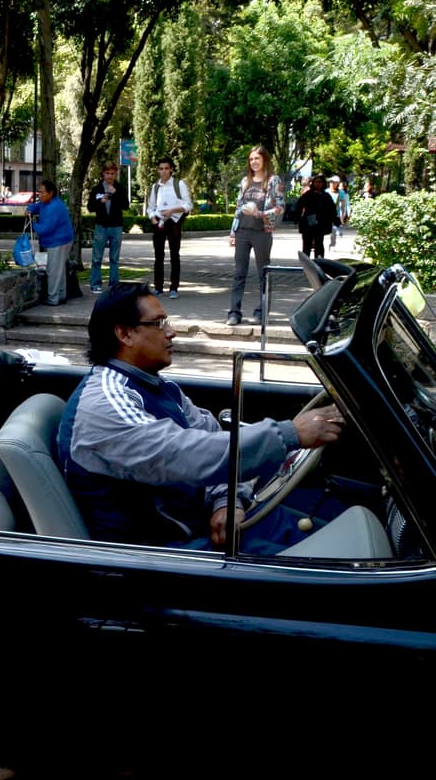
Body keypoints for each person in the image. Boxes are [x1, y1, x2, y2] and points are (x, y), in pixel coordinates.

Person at [56, 282, 344, 553]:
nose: (171, 333)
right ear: (124, 334)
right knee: (325, 563)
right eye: (158, 324)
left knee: (326, 525)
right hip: (160, 554)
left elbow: (212, 437)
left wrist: (226, 499)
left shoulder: (158, 387)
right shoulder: (104, 402)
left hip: (200, 523)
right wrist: (290, 434)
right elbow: (182, 454)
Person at [227, 145, 285, 326]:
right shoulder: (245, 181)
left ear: (265, 160)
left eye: (257, 159)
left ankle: (261, 312)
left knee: (263, 273)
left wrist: (261, 214)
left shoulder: (273, 181)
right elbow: (238, 208)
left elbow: (280, 207)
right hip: (243, 230)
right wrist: (232, 232)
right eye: (251, 159)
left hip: (262, 231)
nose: (254, 162)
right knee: (239, 273)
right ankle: (234, 313)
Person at [145, 157, 191, 299]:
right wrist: (152, 217)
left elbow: (188, 205)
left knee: (174, 255)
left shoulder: (179, 184)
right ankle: (158, 287)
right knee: (158, 256)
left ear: (171, 169)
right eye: (161, 168)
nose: (164, 171)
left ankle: (174, 288)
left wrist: (173, 210)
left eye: (166, 168)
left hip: (174, 221)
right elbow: (151, 207)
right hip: (159, 222)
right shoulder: (156, 187)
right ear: (158, 170)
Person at [27, 179, 74, 307]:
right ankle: (61, 295)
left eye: (42, 192)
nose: (39, 195)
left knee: (53, 270)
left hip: (58, 241)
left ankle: (53, 298)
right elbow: (35, 207)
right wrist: (30, 209)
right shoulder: (46, 203)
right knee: (59, 269)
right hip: (61, 239)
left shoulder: (54, 207)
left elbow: (46, 228)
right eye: (39, 192)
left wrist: (33, 224)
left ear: (51, 193)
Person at [86, 161, 128, 294]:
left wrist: (115, 194)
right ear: (103, 174)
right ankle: (95, 284)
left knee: (114, 258)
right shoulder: (97, 189)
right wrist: (100, 201)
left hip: (116, 227)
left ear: (115, 174)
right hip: (101, 226)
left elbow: (126, 206)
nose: (110, 176)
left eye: (112, 173)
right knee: (97, 257)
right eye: (107, 173)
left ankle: (114, 284)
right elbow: (90, 207)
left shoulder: (120, 188)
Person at [292, 174, 336, 259]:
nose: (318, 184)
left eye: (320, 182)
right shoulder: (308, 194)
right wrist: (297, 218)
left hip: (320, 224)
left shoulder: (326, 196)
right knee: (306, 245)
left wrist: (335, 220)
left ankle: (319, 264)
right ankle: (306, 265)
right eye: (316, 182)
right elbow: (299, 206)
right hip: (308, 223)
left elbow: (332, 209)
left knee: (319, 244)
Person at [327, 175, 350, 247]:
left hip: (335, 214)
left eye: (333, 182)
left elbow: (343, 205)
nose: (331, 183)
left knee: (333, 230)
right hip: (324, 214)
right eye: (331, 182)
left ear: (337, 183)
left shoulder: (341, 193)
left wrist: (342, 216)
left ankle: (332, 244)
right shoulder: (326, 191)